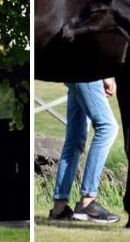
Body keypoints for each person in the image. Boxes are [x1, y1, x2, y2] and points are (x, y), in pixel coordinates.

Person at [49, 78, 120, 223]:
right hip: (88, 72)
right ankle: (87, 203)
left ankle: (59, 209)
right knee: (108, 128)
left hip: (73, 72)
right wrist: (106, 76)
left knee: (74, 139)